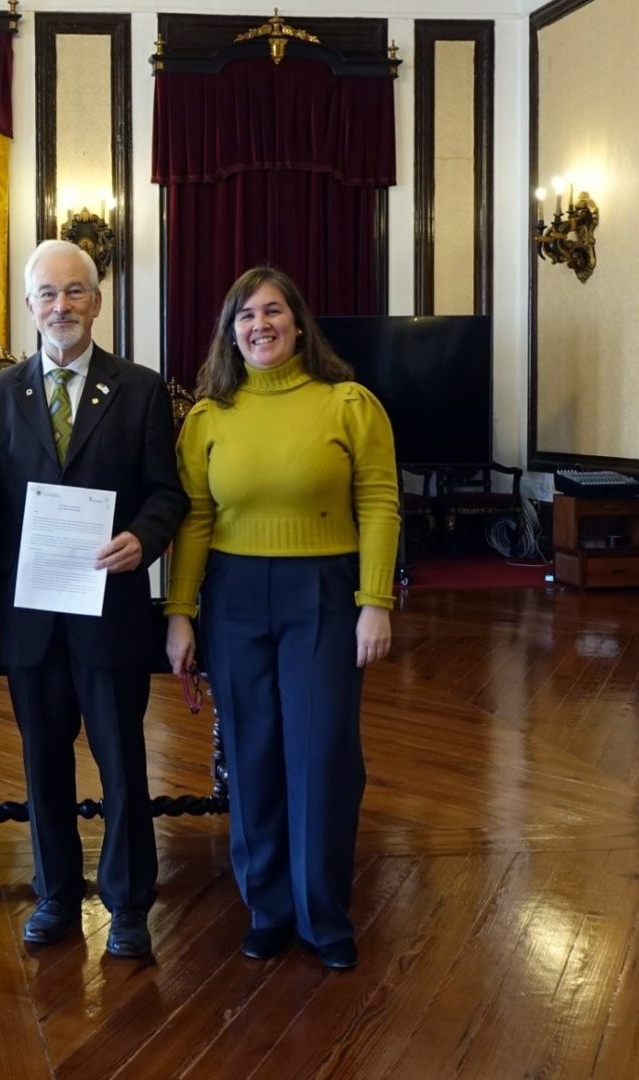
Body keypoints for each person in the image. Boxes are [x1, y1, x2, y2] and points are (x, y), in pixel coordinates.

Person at [163, 265, 399, 970]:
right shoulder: (208, 417)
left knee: (323, 755)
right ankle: (267, 908)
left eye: (272, 312)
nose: (259, 325)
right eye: (245, 316)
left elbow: (381, 504)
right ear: (229, 333)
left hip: (324, 592)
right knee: (253, 754)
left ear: (298, 322)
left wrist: (375, 601)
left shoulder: (349, 403)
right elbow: (196, 521)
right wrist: (180, 614)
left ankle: (323, 916)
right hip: (232, 596)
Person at [0, 239, 189, 958]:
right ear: (29, 307)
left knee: (123, 762)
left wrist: (143, 539)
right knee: (44, 765)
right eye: (47, 295)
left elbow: (167, 492)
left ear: (97, 301)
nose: (60, 306)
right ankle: (57, 894)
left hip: (111, 611)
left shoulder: (141, 389)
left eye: (75, 292)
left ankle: (128, 905)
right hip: (28, 620)